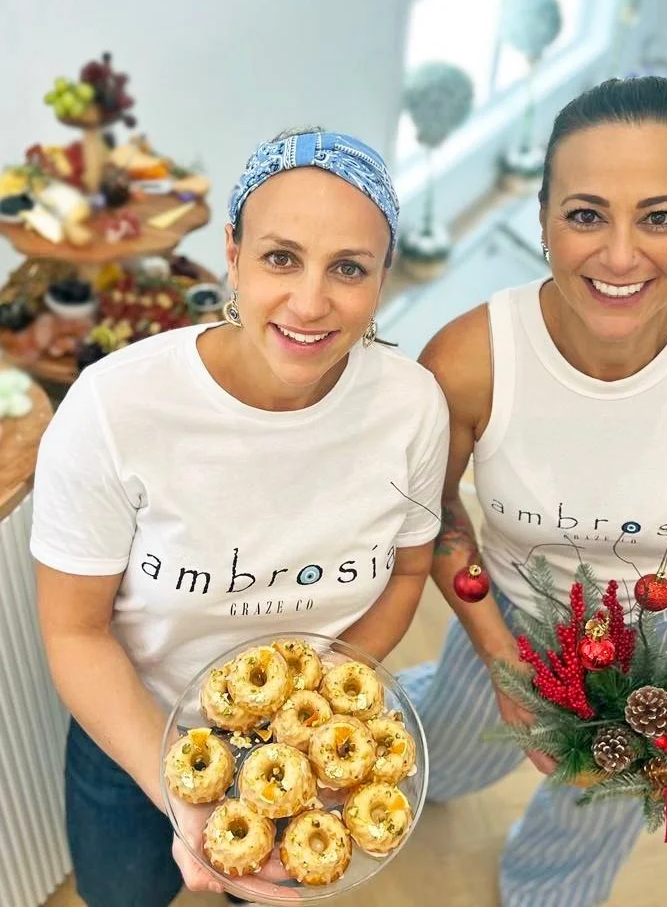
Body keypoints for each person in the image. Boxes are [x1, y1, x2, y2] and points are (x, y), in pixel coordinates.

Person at [401, 77, 667, 907]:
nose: (621, 257)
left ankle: (547, 893)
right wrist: (501, 658)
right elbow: (435, 508)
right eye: (586, 214)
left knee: (601, 809)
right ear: (544, 216)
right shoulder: (467, 359)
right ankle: (421, 731)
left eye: (660, 217)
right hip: (513, 610)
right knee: (444, 756)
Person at [32, 128, 449, 907]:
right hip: (134, 718)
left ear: (383, 278)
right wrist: (177, 793)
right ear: (232, 251)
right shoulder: (116, 411)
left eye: (349, 269)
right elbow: (74, 631)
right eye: (280, 257)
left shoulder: (411, 407)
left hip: (303, 732)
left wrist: (312, 718)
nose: (309, 302)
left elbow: (411, 570)